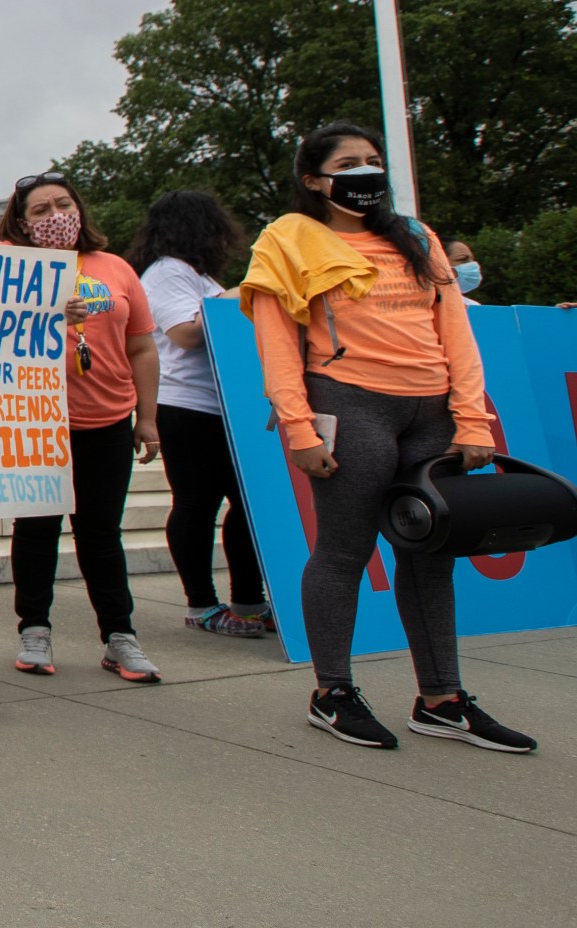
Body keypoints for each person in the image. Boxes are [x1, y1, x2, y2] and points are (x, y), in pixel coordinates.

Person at [242, 122, 535, 753]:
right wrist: (297, 426)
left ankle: (442, 700)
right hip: (350, 405)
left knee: (430, 554)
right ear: (314, 180)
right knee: (343, 553)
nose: (365, 172)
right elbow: (275, 345)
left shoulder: (417, 237)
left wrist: (472, 418)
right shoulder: (288, 240)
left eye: (373, 161)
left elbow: (456, 331)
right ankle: (333, 692)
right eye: (348, 164)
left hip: (431, 412)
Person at [0, 173, 164, 683]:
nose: (54, 217)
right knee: (37, 529)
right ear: (22, 223)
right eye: (40, 211)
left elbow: (142, 347)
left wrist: (149, 418)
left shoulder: (116, 269)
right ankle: (35, 629)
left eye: (62, 205)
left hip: (109, 421)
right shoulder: (10, 268)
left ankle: (119, 636)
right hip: (39, 419)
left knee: (100, 533)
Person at [129, 189, 272, 637]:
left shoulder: (197, 275)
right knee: (197, 501)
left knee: (246, 503)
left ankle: (248, 599)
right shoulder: (169, 273)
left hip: (216, 405)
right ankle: (202, 603)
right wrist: (244, 291)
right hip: (184, 404)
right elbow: (187, 333)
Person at [445, 238, 484, 304]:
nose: (472, 264)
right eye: (462, 259)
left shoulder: (474, 307)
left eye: (472, 259)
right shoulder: (423, 308)